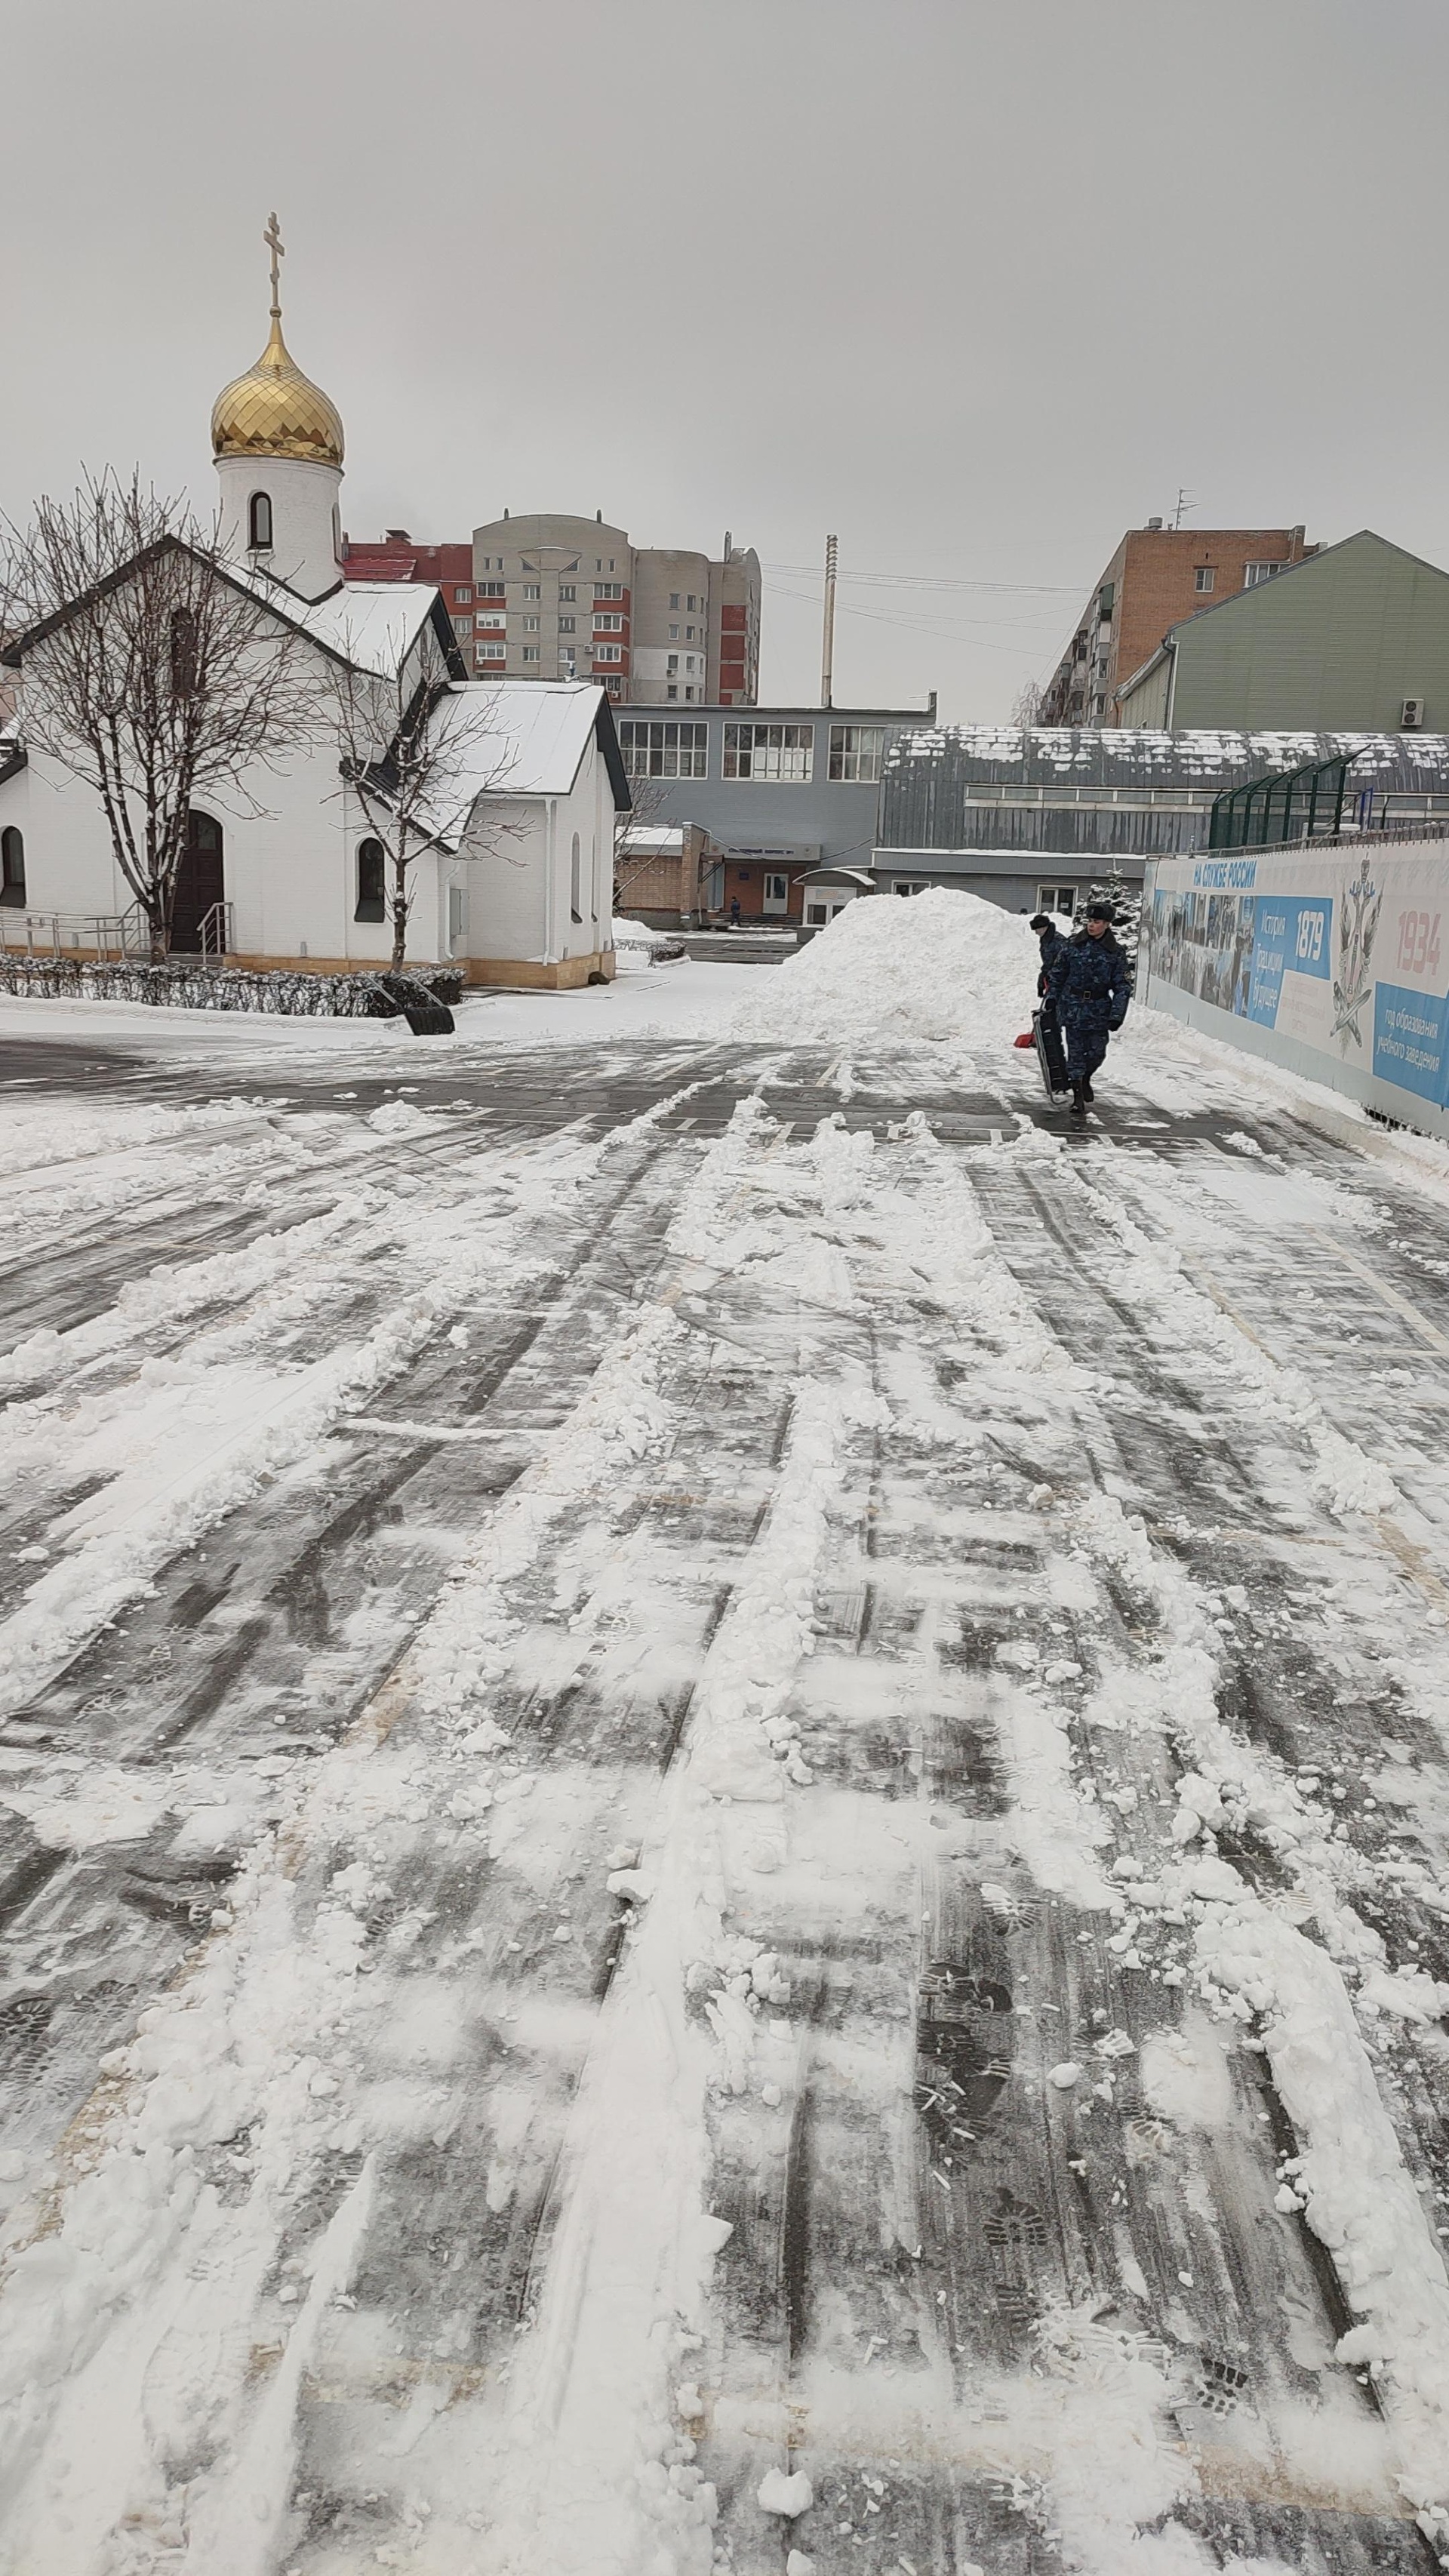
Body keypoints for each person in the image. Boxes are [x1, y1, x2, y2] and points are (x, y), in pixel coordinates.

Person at [1045, 903, 1131, 1116]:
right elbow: (1057, 975)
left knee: (1097, 1054)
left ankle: (1085, 1079)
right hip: (1073, 1006)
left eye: (1097, 922)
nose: (1092, 926)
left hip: (1099, 1009)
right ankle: (1077, 1097)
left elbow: (1122, 986)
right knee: (1075, 1054)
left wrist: (1117, 1015)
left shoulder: (1115, 952)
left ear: (1107, 925)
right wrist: (1052, 999)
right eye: (1090, 921)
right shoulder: (1073, 945)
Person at [1028, 910, 1069, 994]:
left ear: (1044, 927)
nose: (1036, 933)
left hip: (1061, 981)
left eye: (1037, 929)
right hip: (1052, 978)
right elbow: (1048, 963)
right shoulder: (1046, 939)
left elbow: (1063, 964)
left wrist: (1052, 979)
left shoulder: (1058, 942)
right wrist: (1042, 978)